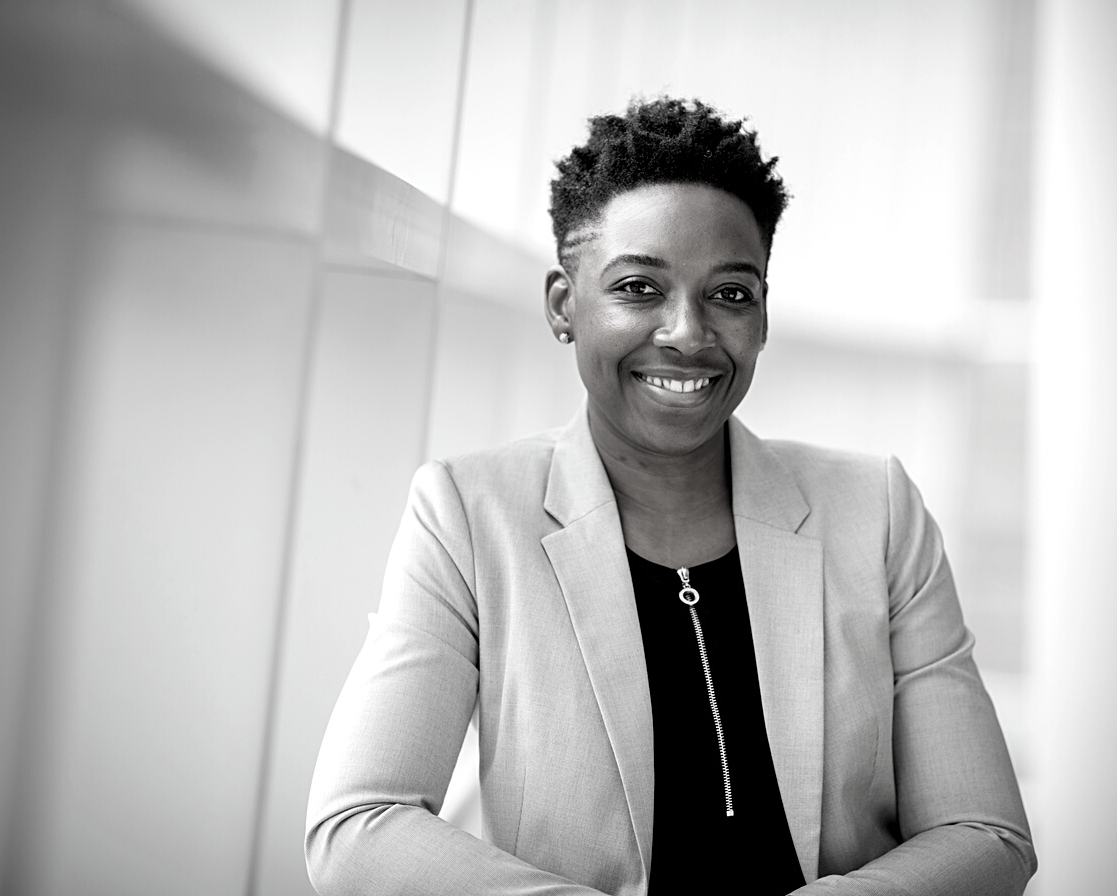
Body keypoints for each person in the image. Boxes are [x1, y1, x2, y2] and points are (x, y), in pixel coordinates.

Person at [305, 97, 1036, 896]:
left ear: (761, 317)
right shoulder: (468, 513)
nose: (688, 332)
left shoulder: (877, 511)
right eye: (639, 287)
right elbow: (359, 825)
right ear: (563, 305)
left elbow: (984, 832)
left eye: (729, 293)